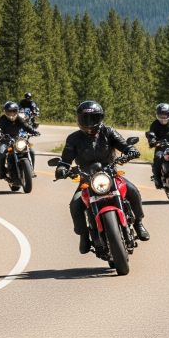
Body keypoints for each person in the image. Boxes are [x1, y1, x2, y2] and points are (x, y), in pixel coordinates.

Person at [55, 100, 150, 254]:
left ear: (100, 118)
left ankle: (138, 223)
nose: (89, 122)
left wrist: (131, 150)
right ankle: (84, 236)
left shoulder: (108, 132)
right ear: (79, 119)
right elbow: (65, 160)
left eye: (93, 118)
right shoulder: (73, 139)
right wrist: (62, 168)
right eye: (86, 118)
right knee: (75, 204)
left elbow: (124, 145)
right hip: (87, 179)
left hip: (110, 175)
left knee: (132, 190)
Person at [0, 101, 40, 179]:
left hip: (17, 139)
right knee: (2, 154)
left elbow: (26, 126)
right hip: (6, 140)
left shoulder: (19, 118)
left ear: (17, 111)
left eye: (14, 111)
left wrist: (34, 131)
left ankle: (31, 170)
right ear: (5, 112)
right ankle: (2, 171)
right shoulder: (3, 119)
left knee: (31, 151)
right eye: (9, 111)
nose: (11, 113)